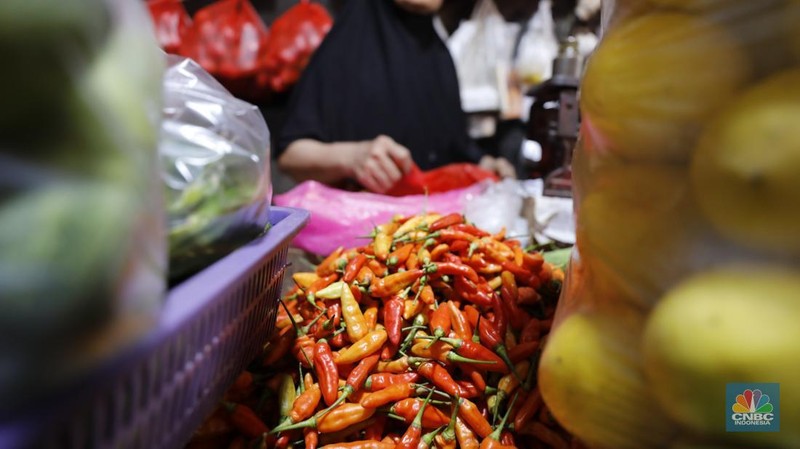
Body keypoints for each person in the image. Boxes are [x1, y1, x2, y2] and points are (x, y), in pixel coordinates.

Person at [276, 0, 514, 194]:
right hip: (361, 239)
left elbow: (452, 147)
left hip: (428, 235)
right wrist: (351, 157)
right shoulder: (348, 45)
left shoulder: (439, 56)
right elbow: (290, 156)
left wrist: (487, 167)